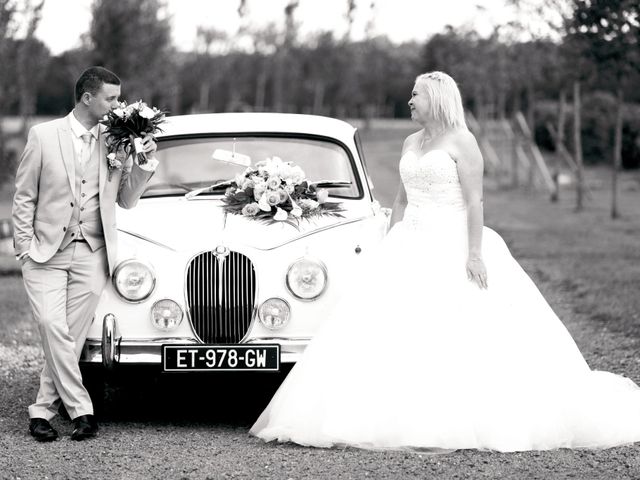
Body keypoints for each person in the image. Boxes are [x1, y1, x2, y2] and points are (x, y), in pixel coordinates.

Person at [250, 71, 640, 452]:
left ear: (435, 99)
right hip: (409, 241)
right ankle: (388, 413)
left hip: (451, 240)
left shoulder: (463, 141)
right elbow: (401, 200)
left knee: (455, 325)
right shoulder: (410, 141)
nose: (410, 100)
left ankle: (459, 417)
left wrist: (474, 253)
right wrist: (388, 243)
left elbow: (474, 201)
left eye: (416, 94)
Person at [12, 66, 158, 441]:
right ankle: (82, 409)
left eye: (118, 98)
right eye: (111, 98)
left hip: (93, 252)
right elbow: (24, 196)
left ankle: (41, 413)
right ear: (87, 97)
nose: (117, 105)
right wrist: (24, 247)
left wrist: (142, 164)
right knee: (50, 326)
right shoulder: (43, 135)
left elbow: (126, 200)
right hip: (45, 252)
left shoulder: (116, 141)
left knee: (69, 338)